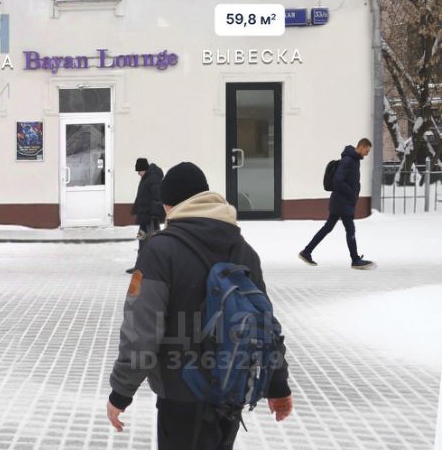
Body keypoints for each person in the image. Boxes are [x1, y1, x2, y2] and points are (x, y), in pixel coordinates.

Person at [107, 162, 293, 448]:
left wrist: (121, 392)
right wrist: (278, 385)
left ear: (169, 205)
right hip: (231, 388)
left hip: (181, 394)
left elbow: (142, 332)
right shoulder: (243, 250)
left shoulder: (159, 251)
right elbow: (265, 322)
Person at [300, 138, 375, 270]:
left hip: (341, 201)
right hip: (342, 202)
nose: (367, 154)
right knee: (350, 230)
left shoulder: (353, 160)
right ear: (361, 147)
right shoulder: (349, 160)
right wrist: (351, 192)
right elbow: (338, 181)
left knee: (328, 228)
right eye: (367, 151)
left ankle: (306, 252)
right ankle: (355, 260)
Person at [126, 158, 165, 274]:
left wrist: (154, 215)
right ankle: (140, 266)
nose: (138, 173)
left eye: (139, 171)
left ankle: (149, 267)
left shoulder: (154, 179)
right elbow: (141, 196)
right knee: (142, 240)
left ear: (144, 169)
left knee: (150, 242)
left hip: (151, 218)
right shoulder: (146, 178)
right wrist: (136, 209)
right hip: (144, 217)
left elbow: (157, 198)